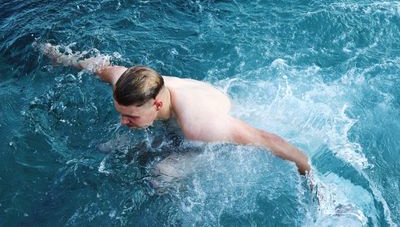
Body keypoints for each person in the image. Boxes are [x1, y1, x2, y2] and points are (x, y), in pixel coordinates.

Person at [41, 43, 311, 175]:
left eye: (130, 116)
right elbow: (98, 65)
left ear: (156, 103)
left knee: (162, 176)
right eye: (120, 112)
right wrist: (60, 57)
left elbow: (267, 140)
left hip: (206, 134)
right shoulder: (123, 81)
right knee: (111, 148)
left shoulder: (200, 125)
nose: (123, 121)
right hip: (174, 120)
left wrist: (308, 176)